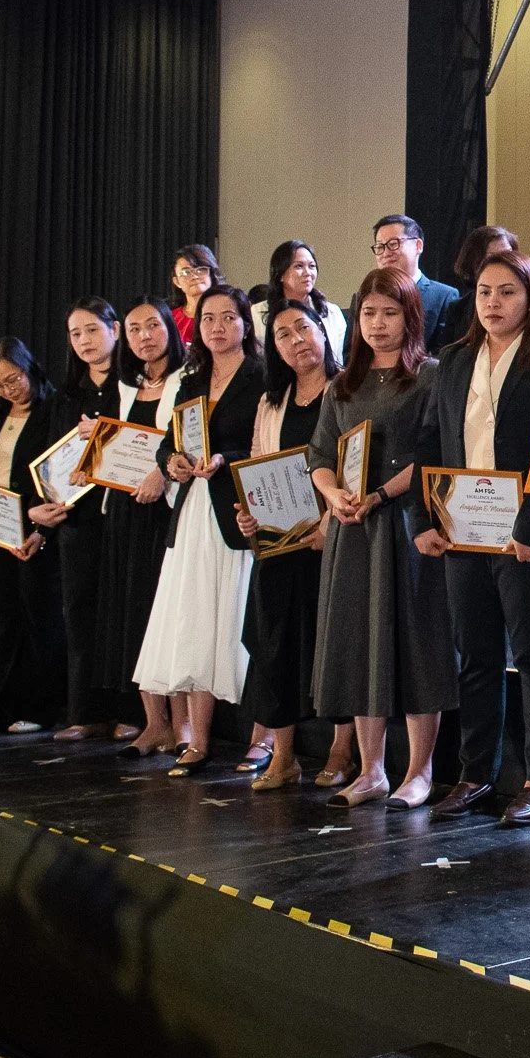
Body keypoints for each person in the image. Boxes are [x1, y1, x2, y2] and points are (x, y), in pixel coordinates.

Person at [411, 249, 530, 825]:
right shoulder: (454, 359)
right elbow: (430, 442)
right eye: (485, 291)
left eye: (507, 291)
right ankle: (474, 772)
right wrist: (426, 521)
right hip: (464, 532)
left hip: (527, 533)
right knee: (477, 656)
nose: (493, 302)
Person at [310, 269, 455, 809]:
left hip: (405, 525)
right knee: (358, 644)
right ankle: (370, 769)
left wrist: (378, 496)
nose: (377, 324)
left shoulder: (431, 377)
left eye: (389, 313)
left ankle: (420, 771)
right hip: (354, 531)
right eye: (368, 313)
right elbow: (320, 456)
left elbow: (434, 453)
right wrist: (335, 496)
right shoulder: (341, 383)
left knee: (416, 644)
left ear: (410, 317)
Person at [133, 284, 264, 775]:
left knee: (237, 620)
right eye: (208, 319)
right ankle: (197, 738)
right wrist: (173, 463)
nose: (216, 327)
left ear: (245, 324)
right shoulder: (192, 381)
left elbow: (266, 442)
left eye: (228, 317)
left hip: (238, 508)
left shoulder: (262, 377)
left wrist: (224, 460)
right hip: (193, 510)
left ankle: (263, 738)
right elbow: (170, 443)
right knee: (192, 620)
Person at [235, 303, 342, 792]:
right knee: (273, 645)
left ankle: (341, 751)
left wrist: (326, 525)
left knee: (334, 642)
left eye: (303, 327)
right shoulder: (269, 401)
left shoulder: (345, 390)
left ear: (323, 331)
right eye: (282, 334)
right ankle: (283, 755)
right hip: (277, 544)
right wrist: (248, 513)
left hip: (331, 537)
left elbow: (353, 467)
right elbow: (259, 467)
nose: (296, 339)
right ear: (272, 347)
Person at [33, 299, 138, 743]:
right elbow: (49, 462)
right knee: (79, 613)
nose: (84, 342)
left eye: (92, 330)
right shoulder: (65, 397)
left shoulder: (133, 387)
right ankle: (84, 711)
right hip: (77, 519)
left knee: (126, 612)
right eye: (75, 334)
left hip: (125, 514)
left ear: (115, 330)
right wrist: (43, 510)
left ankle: (130, 713)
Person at [0, 337, 69, 735]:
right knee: (3, 619)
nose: (10, 389)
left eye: (14, 378)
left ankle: (41, 708)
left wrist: (41, 529)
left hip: (35, 528)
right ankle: (0, 709)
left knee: (39, 617)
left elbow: (58, 476)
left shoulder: (54, 408)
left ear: (30, 368)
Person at [97, 300, 187, 760]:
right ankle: (154, 724)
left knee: (168, 615)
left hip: (168, 509)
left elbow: (187, 442)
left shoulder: (186, 381)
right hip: (127, 511)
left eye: (153, 325)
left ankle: (183, 724)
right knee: (135, 614)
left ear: (170, 329)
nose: (144, 335)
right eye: (134, 329)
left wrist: (164, 475)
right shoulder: (126, 386)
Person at [372, 213, 462, 350]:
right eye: (379, 247)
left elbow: (445, 355)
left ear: (418, 246)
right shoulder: (364, 297)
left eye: (393, 244)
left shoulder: (444, 296)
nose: (385, 253)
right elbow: (351, 355)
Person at [249, 239, 348, 362]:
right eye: (299, 266)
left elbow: (338, 360)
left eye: (312, 266)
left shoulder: (332, 312)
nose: (308, 273)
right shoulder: (257, 313)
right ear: (280, 274)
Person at [451, 226, 519, 303]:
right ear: (474, 262)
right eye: (493, 258)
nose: (503, 261)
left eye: (508, 254)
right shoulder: (457, 309)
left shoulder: (527, 301)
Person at [170, 244, 221, 346]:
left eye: (201, 269)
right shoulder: (170, 319)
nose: (194, 276)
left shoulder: (227, 313)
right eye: (186, 272)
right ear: (177, 282)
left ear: (212, 274)